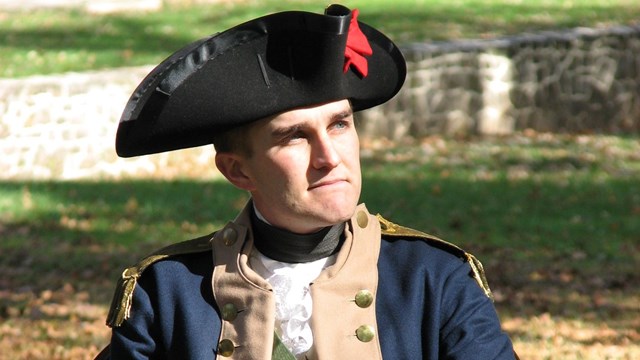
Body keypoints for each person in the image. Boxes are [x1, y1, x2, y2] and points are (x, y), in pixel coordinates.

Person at [97, 4, 517, 359]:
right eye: (295, 136)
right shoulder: (167, 293)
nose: (329, 158)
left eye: (339, 124)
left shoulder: (434, 279)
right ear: (237, 170)